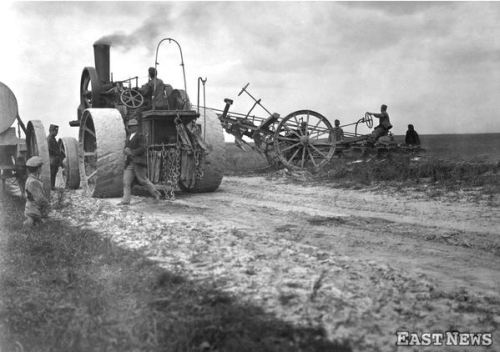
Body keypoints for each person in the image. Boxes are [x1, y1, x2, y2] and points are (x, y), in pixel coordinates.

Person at [117, 119, 161, 205]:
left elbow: (143, 148)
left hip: (138, 162)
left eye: (133, 126)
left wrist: (132, 152)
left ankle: (156, 194)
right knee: (126, 181)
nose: (132, 128)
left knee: (143, 180)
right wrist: (125, 151)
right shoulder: (128, 137)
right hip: (130, 163)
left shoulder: (141, 136)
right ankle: (126, 200)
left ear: (136, 127)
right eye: (130, 126)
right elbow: (126, 148)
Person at [23, 156, 50, 227]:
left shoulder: (29, 179)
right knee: (43, 223)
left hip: (29, 207)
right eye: (40, 167)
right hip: (34, 209)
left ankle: (32, 220)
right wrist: (47, 204)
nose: (41, 169)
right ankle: (32, 221)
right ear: (38, 169)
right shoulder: (34, 182)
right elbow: (39, 198)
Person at [47, 124, 64, 190]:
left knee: (53, 173)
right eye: (55, 131)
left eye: (57, 131)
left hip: (54, 159)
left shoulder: (52, 138)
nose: (56, 133)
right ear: (51, 131)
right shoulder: (49, 139)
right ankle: (52, 186)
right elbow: (49, 149)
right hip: (52, 159)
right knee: (52, 173)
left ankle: (52, 186)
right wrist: (57, 153)